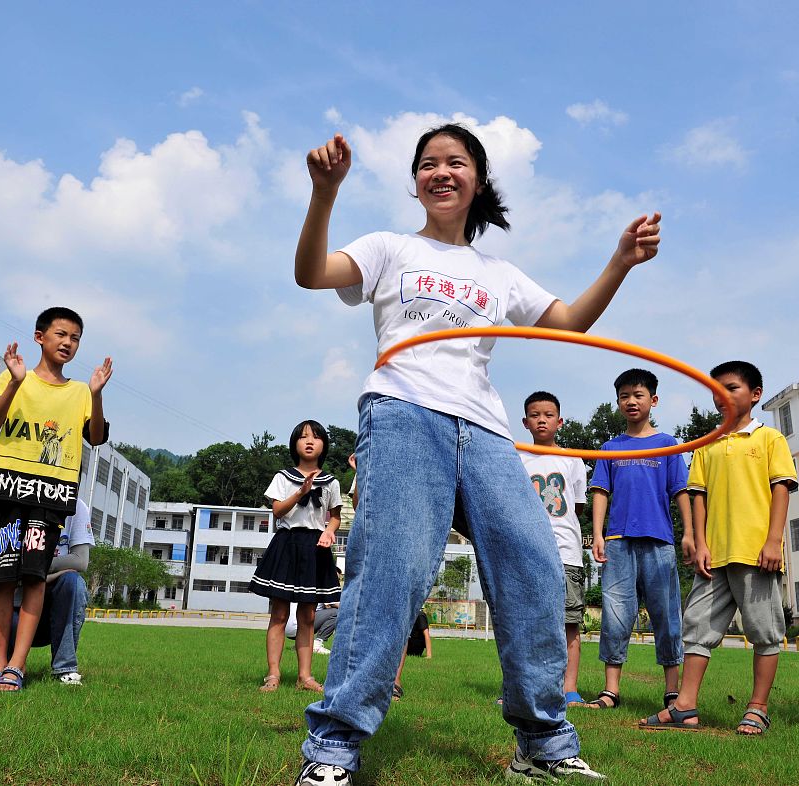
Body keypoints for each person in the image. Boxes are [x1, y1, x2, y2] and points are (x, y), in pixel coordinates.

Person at [292, 124, 659, 784]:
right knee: (392, 572)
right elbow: (311, 274)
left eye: (455, 162)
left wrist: (621, 263)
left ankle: (541, 741)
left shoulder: (498, 272)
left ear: (478, 180)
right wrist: (324, 193)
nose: (441, 172)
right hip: (403, 410)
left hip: (485, 428)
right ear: (415, 182)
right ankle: (334, 747)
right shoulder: (389, 247)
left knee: (536, 568)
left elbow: (570, 324)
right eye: (428, 163)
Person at [640, 361, 796, 735]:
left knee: (764, 631)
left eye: (731, 388)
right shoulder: (706, 444)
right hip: (715, 556)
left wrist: (773, 541)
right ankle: (684, 706)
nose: (721, 395)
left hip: (756, 553)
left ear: (755, 394)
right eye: (715, 389)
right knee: (696, 627)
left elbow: (780, 489)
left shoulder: (769, 439)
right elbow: (699, 495)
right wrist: (699, 542)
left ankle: (758, 708)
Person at [0, 307, 111, 691]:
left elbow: (96, 438)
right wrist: (15, 383)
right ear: (39, 336)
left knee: (34, 578)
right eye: (61, 334)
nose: (68, 343)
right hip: (8, 490)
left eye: (75, 338)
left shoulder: (80, 392)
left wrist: (96, 395)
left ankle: (16, 666)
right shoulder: (12, 377)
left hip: (51, 496)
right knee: (2, 579)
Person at [588, 369, 689, 710]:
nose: (631, 401)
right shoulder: (610, 448)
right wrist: (598, 534)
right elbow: (600, 491)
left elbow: (680, 491)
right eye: (624, 396)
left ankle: (672, 690)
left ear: (653, 400)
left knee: (667, 615)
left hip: (659, 540)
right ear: (618, 402)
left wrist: (689, 533)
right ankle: (611, 691)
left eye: (638, 395)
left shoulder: (668, 444)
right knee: (616, 615)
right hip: (618, 540)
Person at [251, 420, 341, 693]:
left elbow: (335, 517)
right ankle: (273, 675)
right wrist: (301, 491)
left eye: (315, 437)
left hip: (315, 548)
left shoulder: (331, 482)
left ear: (324, 444)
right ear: (295, 444)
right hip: (287, 544)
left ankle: (305, 677)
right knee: (279, 613)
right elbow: (277, 511)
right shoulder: (283, 477)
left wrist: (329, 531)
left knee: (308, 615)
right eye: (303, 437)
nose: (309, 441)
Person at [0, 498, 94, 686]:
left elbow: (80, 561)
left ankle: (65, 668)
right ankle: (7, 664)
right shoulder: (8, 499)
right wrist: (32, 570)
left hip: (48, 615)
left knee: (73, 582)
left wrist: (36, 570)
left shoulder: (75, 505)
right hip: (11, 606)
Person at [518, 391, 590, 707]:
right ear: (525, 422)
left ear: (559, 422)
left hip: (566, 553)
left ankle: (569, 688)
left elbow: (578, 506)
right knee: (526, 623)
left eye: (548, 415)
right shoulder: (518, 458)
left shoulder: (572, 458)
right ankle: (523, 687)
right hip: (528, 552)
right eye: (535, 415)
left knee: (569, 623)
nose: (542, 420)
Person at [392, 609, 431, 699]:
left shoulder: (420, 615)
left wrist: (429, 655)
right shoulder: (412, 614)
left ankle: (395, 682)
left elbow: (426, 635)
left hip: (415, 648)